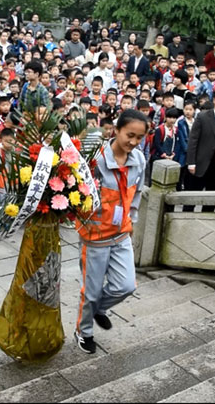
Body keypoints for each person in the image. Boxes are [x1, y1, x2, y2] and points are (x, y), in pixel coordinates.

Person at [74, 109, 148, 354]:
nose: (133, 143)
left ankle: (98, 309)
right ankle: (83, 331)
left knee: (126, 285)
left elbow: (136, 194)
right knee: (91, 290)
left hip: (121, 233)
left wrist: (132, 221)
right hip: (95, 235)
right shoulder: (95, 159)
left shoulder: (139, 160)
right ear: (116, 130)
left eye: (139, 138)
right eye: (129, 135)